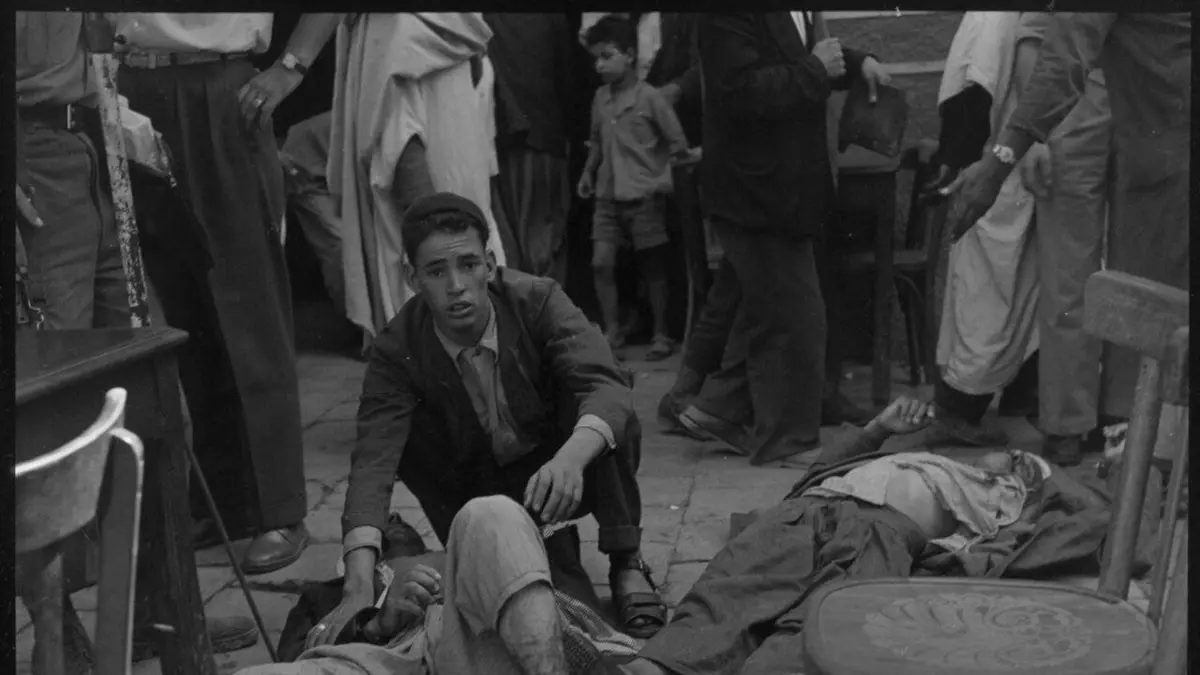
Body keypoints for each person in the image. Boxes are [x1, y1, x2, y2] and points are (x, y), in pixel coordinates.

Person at [305, 192, 667, 647]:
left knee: (608, 412)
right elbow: (372, 464)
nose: (457, 286)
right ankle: (499, 551)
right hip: (472, 490)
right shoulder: (396, 348)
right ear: (413, 279)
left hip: (553, 472)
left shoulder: (538, 300)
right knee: (547, 605)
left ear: (491, 265)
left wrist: (571, 459)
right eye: (436, 271)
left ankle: (626, 560)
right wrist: (356, 588)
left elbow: (605, 385)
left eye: (469, 264)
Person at [623, 396, 1056, 675]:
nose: (1010, 459)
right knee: (732, 587)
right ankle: (657, 667)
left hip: (879, 534)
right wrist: (878, 429)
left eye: (1020, 466)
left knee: (822, 621)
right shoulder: (917, 460)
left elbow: (1052, 521)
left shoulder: (994, 512)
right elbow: (819, 471)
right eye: (1013, 457)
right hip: (807, 511)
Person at [941, 13, 1190, 462]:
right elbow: (1042, 43)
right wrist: (1032, 141)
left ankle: (1125, 417)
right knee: (1068, 271)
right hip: (1074, 109)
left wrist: (1001, 161)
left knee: (1141, 274)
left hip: (1143, 109)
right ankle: (1067, 423)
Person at [111, 12, 310, 574]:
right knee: (179, 305)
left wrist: (291, 67)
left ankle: (281, 508)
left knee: (249, 301)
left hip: (218, 90)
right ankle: (222, 504)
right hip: (131, 88)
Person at [674, 13, 890, 465]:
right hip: (755, 191)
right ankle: (787, 441)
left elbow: (793, 53)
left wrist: (856, 62)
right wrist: (816, 70)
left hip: (786, 188)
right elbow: (738, 91)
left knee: (770, 307)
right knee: (795, 316)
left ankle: (718, 408)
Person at [237, 496, 642, 675]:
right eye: (383, 529)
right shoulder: (328, 594)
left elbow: (540, 589)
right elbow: (295, 655)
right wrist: (375, 624)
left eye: (395, 523)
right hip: (385, 661)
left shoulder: (465, 551)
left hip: (481, 646)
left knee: (489, 513)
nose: (391, 525)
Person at [926, 12, 1048, 448]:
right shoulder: (995, 15)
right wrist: (968, 166)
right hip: (994, 173)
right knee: (986, 297)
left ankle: (1015, 398)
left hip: (1017, 169)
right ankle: (958, 411)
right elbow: (972, 94)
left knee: (1019, 294)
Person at [578, 17, 696, 362]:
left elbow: (678, 144)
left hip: (644, 195)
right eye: (596, 59)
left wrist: (663, 179)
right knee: (601, 263)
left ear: (629, 55)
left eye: (607, 56)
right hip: (607, 194)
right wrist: (587, 173)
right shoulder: (600, 98)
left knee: (652, 267)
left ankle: (661, 333)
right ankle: (612, 333)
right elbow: (596, 141)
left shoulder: (651, 98)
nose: (600, 66)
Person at [484, 13, 576, 283]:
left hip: (498, 138)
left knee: (508, 242)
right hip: (543, 135)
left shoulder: (483, 16)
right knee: (543, 240)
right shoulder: (550, 16)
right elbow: (567, 79)